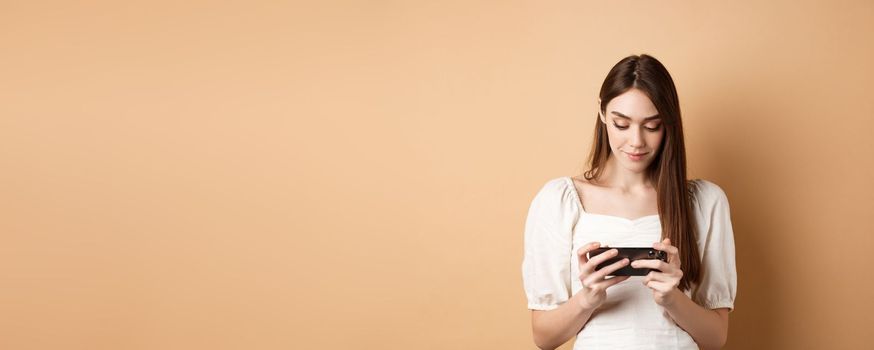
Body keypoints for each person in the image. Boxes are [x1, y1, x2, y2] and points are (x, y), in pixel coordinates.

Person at [521, 54, 737, 350]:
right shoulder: (559, 201)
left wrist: (671, 299)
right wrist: (588, 298)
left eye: (652, 126)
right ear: (602, 113)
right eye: (621, 124)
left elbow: (716, 339)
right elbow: (544, 337)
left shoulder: (705, 202)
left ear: (669, 124)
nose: (636, 141)